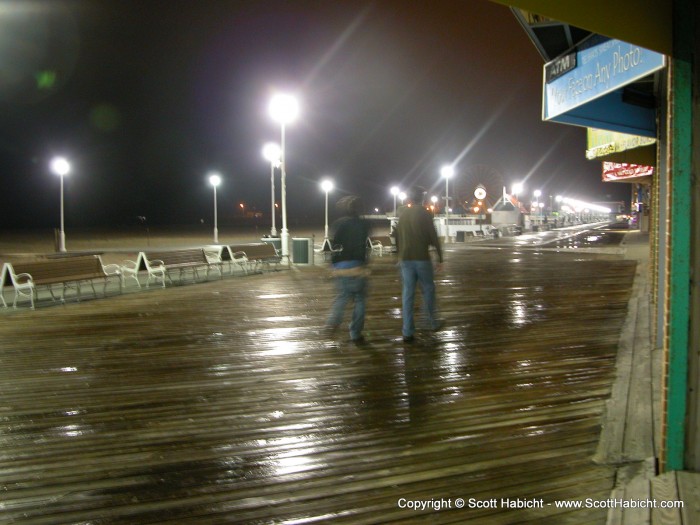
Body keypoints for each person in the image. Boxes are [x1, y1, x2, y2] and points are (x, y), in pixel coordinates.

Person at [395, 186, 444, 342]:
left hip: (405, 259)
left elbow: (396, 236)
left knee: (408, 294)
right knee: (428, 289)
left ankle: (407, 331)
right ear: (422, 198)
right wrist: (440, 257)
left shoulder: (402, 214)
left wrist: (398, 254)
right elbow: (433, 236)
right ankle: (430, 321)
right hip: (421, 258)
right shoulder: (425, 213)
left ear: (409, 198)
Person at [325, 195, 371, 344]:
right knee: (360, 299)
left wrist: (332, 265)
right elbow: (365, 246)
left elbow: (334, 246)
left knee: (342, 296)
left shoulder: (338, 224)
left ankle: (333, 321)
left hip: (340, 265)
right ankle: (356, 333)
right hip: (357, 265)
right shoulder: (364, 225)